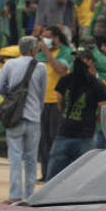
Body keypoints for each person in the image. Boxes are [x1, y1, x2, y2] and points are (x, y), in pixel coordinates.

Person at [0, 36, 46, 203]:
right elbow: (41, 94)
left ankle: (15, 195)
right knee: (31, 159)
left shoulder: (10, 64)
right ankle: (29, 196)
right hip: (33, 117)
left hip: (14, 116)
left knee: (15, 157)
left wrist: (11, 96)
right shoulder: (41, 67)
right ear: (33, 50)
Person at [47, 46, 106, 179]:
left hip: (72, 135)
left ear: (89, 61)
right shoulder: (94, 84)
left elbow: (59, 100)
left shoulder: (71, 80)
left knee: (55, 179)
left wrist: (67, 114)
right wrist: (93, 119)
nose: (76, 60)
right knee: (82, 179)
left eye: (80, 57)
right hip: (78, 135)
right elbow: (105, 108)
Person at [35, 26, 71, 182]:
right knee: (43, 140)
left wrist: (48, 53)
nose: (45, 40)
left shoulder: (65, 52)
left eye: (48, 37)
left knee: (55, 139)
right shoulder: (40, 54)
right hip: (41, 102)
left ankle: (56, 175)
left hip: (57, 102)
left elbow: (60, 70)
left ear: (56, 38)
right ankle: (45, 173)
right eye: (43, 37)